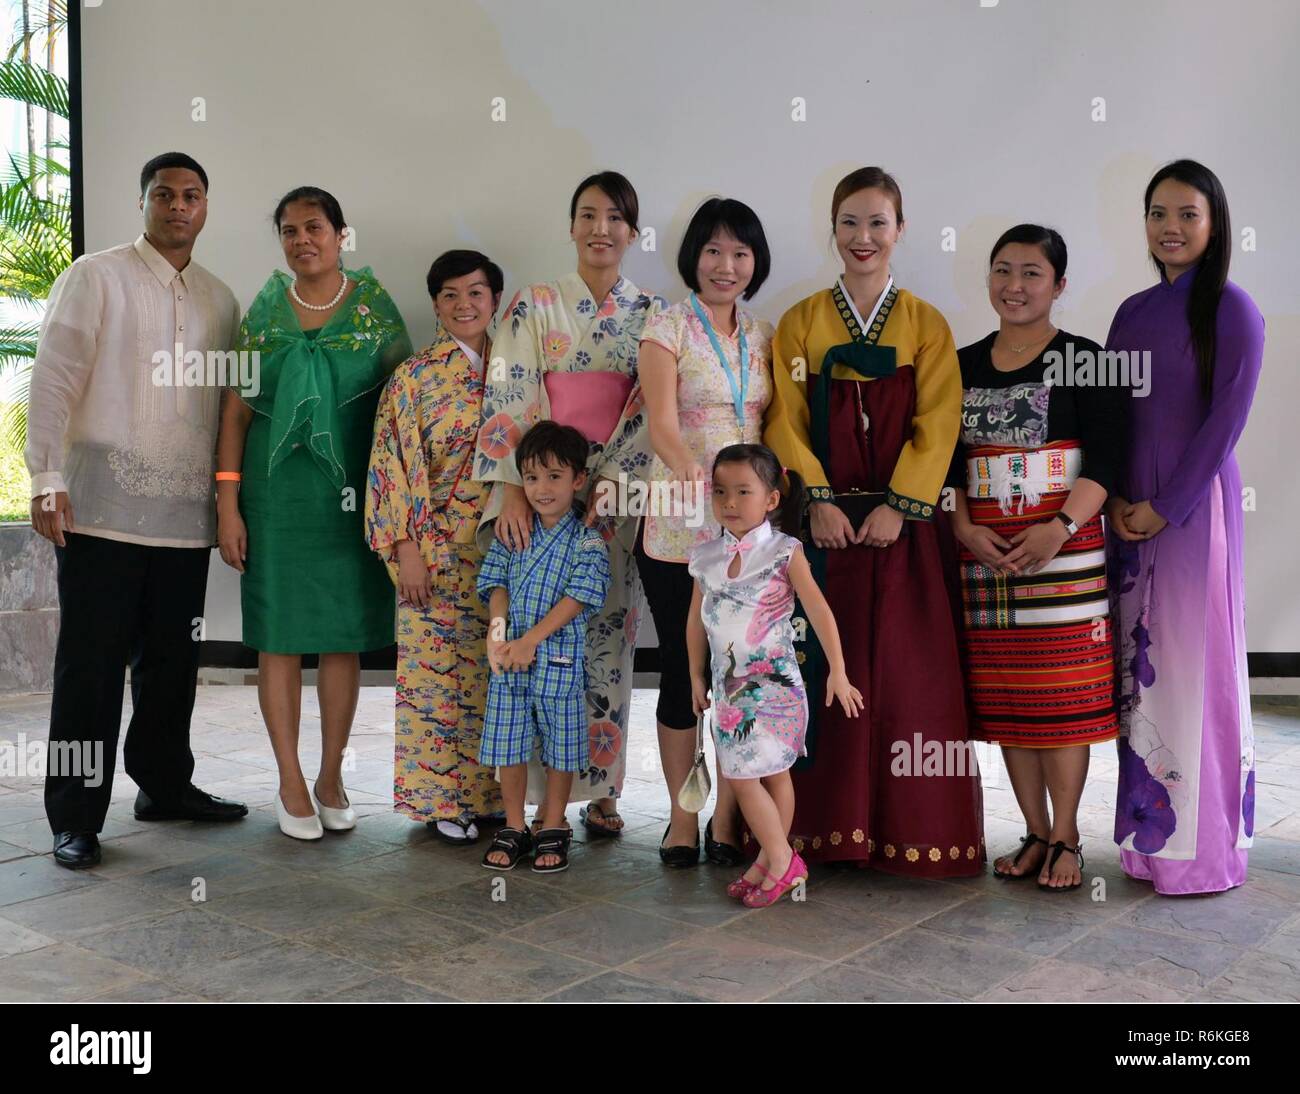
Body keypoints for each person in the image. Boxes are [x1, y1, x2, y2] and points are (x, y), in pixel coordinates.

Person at [25, 152, 247, 870]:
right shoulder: (97, 276)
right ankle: (75, 815)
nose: (178, 206)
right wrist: (45, 476)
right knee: (89, 669)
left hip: (184, 521)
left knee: (173, 663)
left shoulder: (221, 299)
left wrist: (224, 502)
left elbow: (224, 411)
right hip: (99, 511)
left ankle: (164, 786)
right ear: (145, 202)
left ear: (206, 207)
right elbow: (54, 375)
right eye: (164, 194)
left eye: (191, 196)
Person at [764, 166, 984, 874]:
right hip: (824, 534)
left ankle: (912, 834)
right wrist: (819, 500)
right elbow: (784, 421)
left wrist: (900, 505)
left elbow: (938, 422)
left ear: (900, 229)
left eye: (878, 223)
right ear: (831, 229)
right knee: (823, 672)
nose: (864, 237)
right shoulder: (800, 323)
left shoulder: (926, 324)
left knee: (908, 679)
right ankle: (816, 833)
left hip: (904, 530)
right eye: (850, 223)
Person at [472, 170, 666, 838]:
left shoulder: (650, 314)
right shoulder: (533, 305)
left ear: (633, 232)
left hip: (607, 498)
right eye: (587, 215)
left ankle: (602, 789)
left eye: (615, 218)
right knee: (532, 633)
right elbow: (511, 390)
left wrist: (604, 484)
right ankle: (524, 798)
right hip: (543, 491)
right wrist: (511, 489)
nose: (600, 229)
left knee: (607, 639)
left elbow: (649, 409)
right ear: (571, 225)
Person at [216, 186, 412, 840]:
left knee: (342, 635)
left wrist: (403, 504)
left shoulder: (375, 310)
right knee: (278, 636)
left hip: (350, 500)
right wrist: (227, 503)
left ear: (339, 234)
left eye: (315, 227)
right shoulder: (265, 311)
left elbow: (402, 407)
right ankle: (289, 780)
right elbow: (237, 413)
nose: (303, 240)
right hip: (275, 502)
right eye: (290, 230)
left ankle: (330, 775)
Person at [1106, 159, 1264, 895]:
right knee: (1141, 679)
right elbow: (1113, 415)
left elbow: (1225, 423)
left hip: (1193, 514)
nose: (1171, 228)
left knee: (1192, 672)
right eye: (1158, 214)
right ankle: (1147, 846)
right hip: (1128, 518)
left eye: (1187, 214)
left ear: (1214, 222)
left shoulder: (1233, 310)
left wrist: (1168, 505)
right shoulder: (1132, 313)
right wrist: (1113, 499)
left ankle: (1201, 853)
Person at [951, 225, 1125, 891]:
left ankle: (1068, 836)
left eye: (1031, 273)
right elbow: (944, 462)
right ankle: (1031, 831)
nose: (1014, 286)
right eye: (1002, 271)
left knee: (1063, 702)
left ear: (1059, 284)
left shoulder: (1088, 360)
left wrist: (1059, 526)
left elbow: (1109, 457)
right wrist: (963, 527)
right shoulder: (960, 364)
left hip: (1065, 556)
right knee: (1009, 703)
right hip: (987, 561)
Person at [638, 197, 774, 867]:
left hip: (749, 535)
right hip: (679, 527)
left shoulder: (762, 334)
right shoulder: (665, 327)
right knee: (680, 670)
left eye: (740, 253)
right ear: (693, 255)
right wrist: (702, 483)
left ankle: (727, 816)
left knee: (738, 673)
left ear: (756, 263)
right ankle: (680, 816)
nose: (727, 265)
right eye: (714, 251)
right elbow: (662, 424)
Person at [366, 250, 505, 844]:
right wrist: (407, 548)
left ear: (495, 299)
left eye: (476, 292)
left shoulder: (517, 370)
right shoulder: (415, 377)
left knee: (503, 674)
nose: (464, 304)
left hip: (511, 546)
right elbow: (389, 464)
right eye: (450, 294)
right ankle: (443, 800)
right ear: (435, 305)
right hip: (440, 548)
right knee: (439, 679)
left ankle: (500, 795)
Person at [688, 444, 863, 907]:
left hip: (776, 687)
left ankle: (782, 862)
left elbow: (820, 611)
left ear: (771, 499)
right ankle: (773, 860)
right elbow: (694, 622)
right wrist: (693, 676)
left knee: (760, 776)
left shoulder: (785, 551)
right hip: (729, 691)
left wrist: (838, 673)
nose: (729, 502)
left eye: (743, 491)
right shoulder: (705, 557)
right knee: (754, 774)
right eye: (720, 491)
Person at [476, 423, 611, 873]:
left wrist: (531, 641)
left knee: (562, 746)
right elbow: (494, 580)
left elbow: (582, 595)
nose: (542, 488)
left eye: (555, 476)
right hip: (508, 659)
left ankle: (553, 823)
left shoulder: (587, 537)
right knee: (508, 743)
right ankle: (514, 824)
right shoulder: (514, 529)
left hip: (558, 660)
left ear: (578, 480)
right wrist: (498, 632)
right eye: (531, 478)